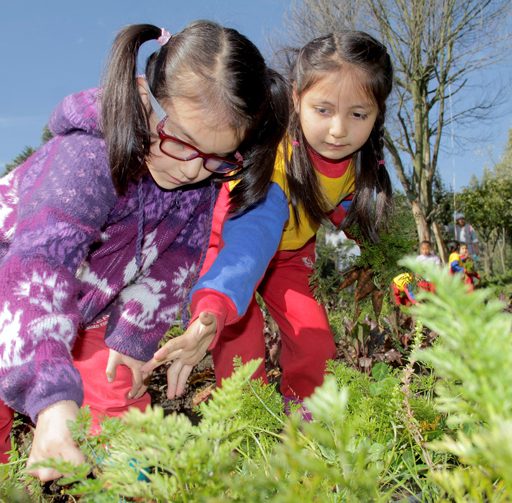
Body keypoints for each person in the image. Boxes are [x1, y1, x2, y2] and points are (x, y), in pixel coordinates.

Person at [0, 21, 289, 480]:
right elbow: (39, 267)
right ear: (141, 95)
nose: (192, 169)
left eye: (216, 157)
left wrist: (133, 339)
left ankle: (131, 486)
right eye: (181, 141)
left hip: (89, 307)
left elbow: (174, 266)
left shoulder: (198, 178)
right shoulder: (87, 157)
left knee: (120, 406)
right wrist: (53, 401)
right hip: (14, 292)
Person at [143, 31, 394, 414]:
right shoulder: (277, 156)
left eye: (358, 114)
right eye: (323, 110)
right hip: (231, 250)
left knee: (314, 340)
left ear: (377, 114)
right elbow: (253, 238)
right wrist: (215, 307)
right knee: (240, 339)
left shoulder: (355, 168)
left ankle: (306, 419)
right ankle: (249, 419)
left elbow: (357, 225)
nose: (339, 129)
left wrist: (401, 273)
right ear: (296, 97)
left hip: (289, 258)